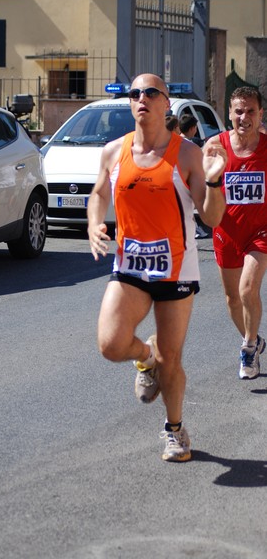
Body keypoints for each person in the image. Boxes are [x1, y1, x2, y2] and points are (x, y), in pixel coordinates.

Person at [87, 73, 227, 462]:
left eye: (151, 92)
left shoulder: (186, 154)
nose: (142, 98)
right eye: (135, 93)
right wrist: (93, 222)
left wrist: (215, 184)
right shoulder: (115, 151)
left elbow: (212, 219)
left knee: (172, 359)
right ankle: (143, 356)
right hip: (130, 266)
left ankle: (175, 430)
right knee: (110, 344)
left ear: (167, 104)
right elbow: (98, 194)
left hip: (176, 271)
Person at [204, 86, 267, 380]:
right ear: (229, 113)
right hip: (226, 230)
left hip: (260, 231)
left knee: (247, 289)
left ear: (260, 114)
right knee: (232, 299)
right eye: (238, 111)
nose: (244, 117)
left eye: (250, 111)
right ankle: (253, 338)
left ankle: (248, 347)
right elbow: (202, 185)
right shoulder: (215, 146)